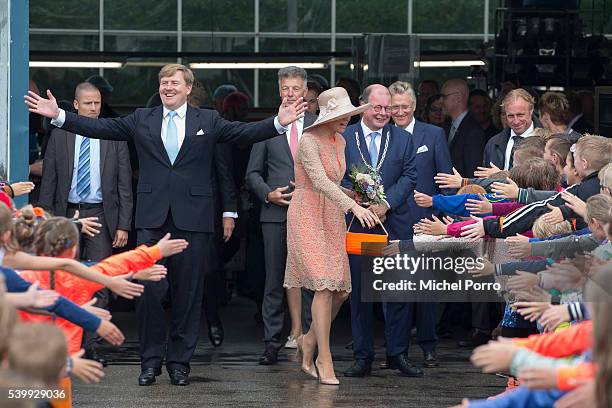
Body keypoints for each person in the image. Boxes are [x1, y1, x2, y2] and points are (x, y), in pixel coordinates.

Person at [25, 63, 306, 387]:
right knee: (149, 292)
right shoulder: (143, 118)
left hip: (194, 219)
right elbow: (103, 129)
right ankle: (150, 362)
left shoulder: (208, 120)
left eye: (174, 83)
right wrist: (58, 115)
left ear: (188, 88)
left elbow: (243, 133)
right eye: (163, 83)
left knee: (188, 294)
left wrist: (278, 123)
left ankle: (179, 363)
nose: (168, 87)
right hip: (153, 220)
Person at [284, 87, 376, 385]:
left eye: (349, 115)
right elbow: (320, 181)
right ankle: (324, 358)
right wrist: (352, 207)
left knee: (342, 290)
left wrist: (357, 195)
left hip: (332, 215)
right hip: (307, 213)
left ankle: (308, 340)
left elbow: (336, 182)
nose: (346, 120)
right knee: (323, 286)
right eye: (340, 115)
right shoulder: (309, 141)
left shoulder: (340, 141)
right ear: (325, 116)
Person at [38, 81, 133, 364]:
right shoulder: (60, 134)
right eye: (88, 103)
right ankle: (67, 345)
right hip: (65, 214)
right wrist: (46, 221)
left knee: (99, 280)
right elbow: (49, 182)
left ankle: (90, 346)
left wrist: (123, 225)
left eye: (98, 103)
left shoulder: (114, 136)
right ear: (75, 105)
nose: (94, 108)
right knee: (63, 280)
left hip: (102, 215)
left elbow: (124, 184)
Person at [342, 84, 419, 378]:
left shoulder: (403, 138)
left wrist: (386, 204)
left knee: (397, 292)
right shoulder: (345, 137)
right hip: (359, 223)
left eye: (387, 108)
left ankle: (397, 354)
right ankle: (363, 356)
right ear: (362, 106)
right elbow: (334, 174)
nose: (384, 113)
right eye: (378, 107)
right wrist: (352, 196)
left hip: (394, 221)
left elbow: (411, 174)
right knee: (361, 293)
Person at [246, 67, 317, 365]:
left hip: (312, 215)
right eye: (285, 88)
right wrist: (268, 194)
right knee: (274, 279)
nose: (290, 93)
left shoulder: (318, 125)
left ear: (305, 93)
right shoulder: (267, 127)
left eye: (296, 88)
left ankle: (309, 339)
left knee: (311, 281)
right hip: (275, 214)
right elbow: (251, 173)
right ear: (279, 91)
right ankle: (272, 341)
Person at [388, 80, 454, 367]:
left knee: (425, 289)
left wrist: (447, 213)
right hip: (390, 219)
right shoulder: (382, 135)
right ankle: (395, 350)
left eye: (404, 107)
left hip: (427, 221)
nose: (399, 112)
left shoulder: (434, 134)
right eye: (394, 107)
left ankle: (429, 346)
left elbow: (445, 179)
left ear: (414, 107)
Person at [483, 89, 538, 170]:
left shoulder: (547, 142)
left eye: (520, 115)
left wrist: (501, 176)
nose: (516, 121)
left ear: (531, 111)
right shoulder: (493, 144)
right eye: (510, 116)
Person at [441, 79, 487, 178]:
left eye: (444, 97)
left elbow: (473, 173)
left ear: (458, 97)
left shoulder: (474, 132)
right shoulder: (446, 127)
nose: (441, 101)